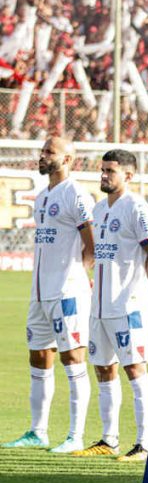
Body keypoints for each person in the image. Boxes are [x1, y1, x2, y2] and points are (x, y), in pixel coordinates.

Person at [3, 137, 95, 452]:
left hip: (67, 290)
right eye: (42, 151)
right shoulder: (42, 197)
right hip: (40, 292)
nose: (42, 156)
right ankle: (37, 431)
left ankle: (75, 436)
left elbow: (91, 241)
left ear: (68, 159)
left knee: (73, 358)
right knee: (39, 356)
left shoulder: (77, 194)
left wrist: (82, 274)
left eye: (49, 152)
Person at [74, 150, 148, 461]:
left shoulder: (137, 208)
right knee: (103, 369)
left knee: (135, 369)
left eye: (110, 171)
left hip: (128, 306)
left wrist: (143, 289)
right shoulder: (99, 209)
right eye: (102, 170)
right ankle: (108, 439)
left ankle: (143, 443)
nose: (104, 176)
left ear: (128, 175)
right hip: (100, 305)